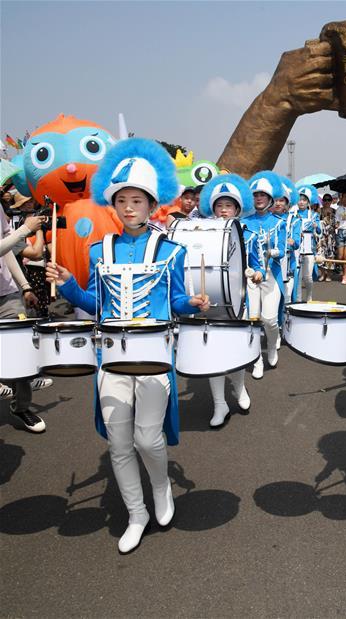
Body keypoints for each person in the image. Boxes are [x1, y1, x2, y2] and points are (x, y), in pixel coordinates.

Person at [46, 138, 210, 553]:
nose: (130, 207)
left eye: (137, 199)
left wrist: (190, 303)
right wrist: (68, 283)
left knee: (147, 439)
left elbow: (173, 302)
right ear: (113, 204)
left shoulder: (171, 250)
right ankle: (136, 514)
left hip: (155, 356)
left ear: (151, 203)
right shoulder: (100, 250)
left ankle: (161, 487)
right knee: (118, 442)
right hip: (110, 358)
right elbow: (94, 304)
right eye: (122, 200)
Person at [197, 174, 258, 427]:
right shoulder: (204, 230)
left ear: (237, 209)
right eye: (220, 206)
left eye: (229, 206)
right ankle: (219, 404)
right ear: (213, 208)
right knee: (213, 352)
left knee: (236, 348)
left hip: (239, 298)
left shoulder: (247, 232)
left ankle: (240, 388)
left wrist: (257, 272)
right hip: (212, 298)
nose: (224, 210)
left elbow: (257, 262)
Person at [1, 207, 47, 431]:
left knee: (21, 351)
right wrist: (26, 229)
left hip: (8, 294)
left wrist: (24, 285)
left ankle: (21, 407)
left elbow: (6, 249)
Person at [244, 171, 287, 379]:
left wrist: (272, 252)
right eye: (255, 195)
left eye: (262, 195)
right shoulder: (244, 222)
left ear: (269, 199)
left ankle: (271, 344)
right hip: (250, 276)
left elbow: (283, 250)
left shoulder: (279, 222)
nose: (258, 198)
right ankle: (256, 360)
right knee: (252, 320)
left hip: (271, 275)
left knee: (269, 319)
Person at [290, 184, 322, 303]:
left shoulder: (314, 215)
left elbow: (320, 232)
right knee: (296, 276)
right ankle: (298, 300)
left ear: (308, 202)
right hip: (296, 249)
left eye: (304, 200)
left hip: (309, 248)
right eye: (299, 199)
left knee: (307, 277)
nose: (301, 202)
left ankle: (309, 296)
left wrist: (315, 226)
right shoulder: (292, 214)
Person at [317, 197, 337, 282]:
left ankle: (328, 274)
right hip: (321, 236)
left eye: (329, 200)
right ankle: (322, 274)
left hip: (331, 237)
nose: (327, 201)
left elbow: (337, 223)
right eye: (325, 200)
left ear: (331, 201)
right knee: (320, 254)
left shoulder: (334, 211)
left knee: (330, 255)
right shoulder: (319, 211)